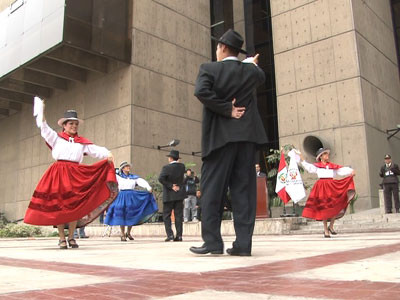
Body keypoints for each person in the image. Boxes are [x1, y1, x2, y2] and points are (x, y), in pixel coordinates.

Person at [189, 29, 268, 256]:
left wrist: (226, 109)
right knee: (244, 193)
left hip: (219, 140)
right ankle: (243, 245)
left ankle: (213, 242)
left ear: (222, 47)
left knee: (212, 191)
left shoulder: (209, 69)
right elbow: (260, 76)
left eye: (217, 47)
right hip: (246, 139)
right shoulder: (251, 72)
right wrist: (250, 65)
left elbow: (201, 92)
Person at [24, 107, 117, 249]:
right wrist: (41, 112)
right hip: (59, 173)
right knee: (60, 206)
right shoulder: (56, 137)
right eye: (70, 124)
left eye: (75, 124)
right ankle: (62, 238)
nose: (73, 126)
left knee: (74, 205)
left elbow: (96, 150)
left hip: (75, 174)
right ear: (64, 125)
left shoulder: (81, 142)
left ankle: (72, 237)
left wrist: (107, 154)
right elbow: (44, 128)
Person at [299, 148, 356, 238]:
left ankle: (331, 226)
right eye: (325, 154)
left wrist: (350, 171)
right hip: (322, 187)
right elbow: (309, 167)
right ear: (320, 157)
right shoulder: (317, 166)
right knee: (324, 208)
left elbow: (341, 170)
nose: (327, 155)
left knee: (334, 205)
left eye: (327, 154)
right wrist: (302, 158)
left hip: (331, 186)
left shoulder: (332, 166)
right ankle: (326, 229)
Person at [105, 161, 157, 241]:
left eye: (128, 166)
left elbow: (141, 181)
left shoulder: (133, 177)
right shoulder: (118, 177)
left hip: (132, 196)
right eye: (126, 166)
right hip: (122, 195)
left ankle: (128, 233)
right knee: (121, 214)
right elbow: (110, 176)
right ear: (122, 169)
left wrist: (148, 187)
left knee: (131, 214)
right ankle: (122, 234)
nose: (128, 167)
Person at [158, 150, 186, 242]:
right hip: (179, 194)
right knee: (178, 215)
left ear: (170, 158)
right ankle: (179, 236)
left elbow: (160, 178)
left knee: (166, 215)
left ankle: (170, 235)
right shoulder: (182, 167)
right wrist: (177, 186)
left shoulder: (166, 167)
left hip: (169, 194)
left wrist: (171, 186)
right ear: (178, 158)